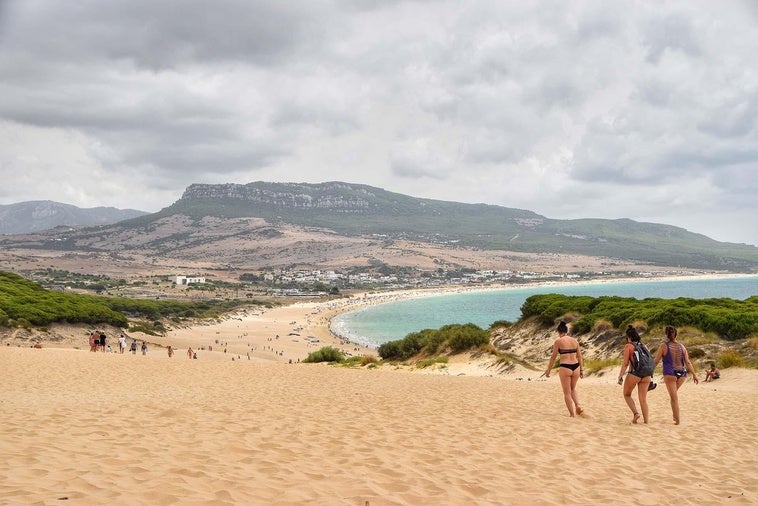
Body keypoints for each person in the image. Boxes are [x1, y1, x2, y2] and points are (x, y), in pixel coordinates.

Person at [653, 325, 699, 425]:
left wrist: (649, 372)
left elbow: (656, 361)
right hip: (682, 374)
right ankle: (675, 416)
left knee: (674, 398)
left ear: (666, 334)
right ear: (676, 334)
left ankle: (677, 421)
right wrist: (694, 375)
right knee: (673, 396)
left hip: (670, 374)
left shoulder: (663, 346)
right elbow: (688, 362)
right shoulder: (682, 347)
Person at [545, 321, 584, 417]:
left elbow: (553, 357)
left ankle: (572, 415)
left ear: (559, 332)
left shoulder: (558, 341)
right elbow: (579, 356)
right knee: (573, 389)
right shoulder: (575, 341)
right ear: (566, 331)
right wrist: (581, 370)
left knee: (566, 392)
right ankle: (578, 405)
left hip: (565, 367)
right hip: (576, 367)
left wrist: (548, 370)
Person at [618, 325, 652, 424]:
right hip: (646, 375)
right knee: (643, 399)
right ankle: (646, 422)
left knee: (627, 394)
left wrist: (620, 376)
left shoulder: (628, 346)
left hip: (634, 374)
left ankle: (636, 413)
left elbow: (625, 363)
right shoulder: (644, 346)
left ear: (629, 337)